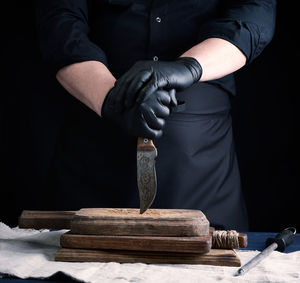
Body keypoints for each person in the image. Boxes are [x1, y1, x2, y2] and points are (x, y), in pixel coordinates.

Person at [35, 0, 276, 231]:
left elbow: (255, 11)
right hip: (94, 152)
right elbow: (61, 22)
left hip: (203, 167)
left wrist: (189, 67)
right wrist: (111, 99)